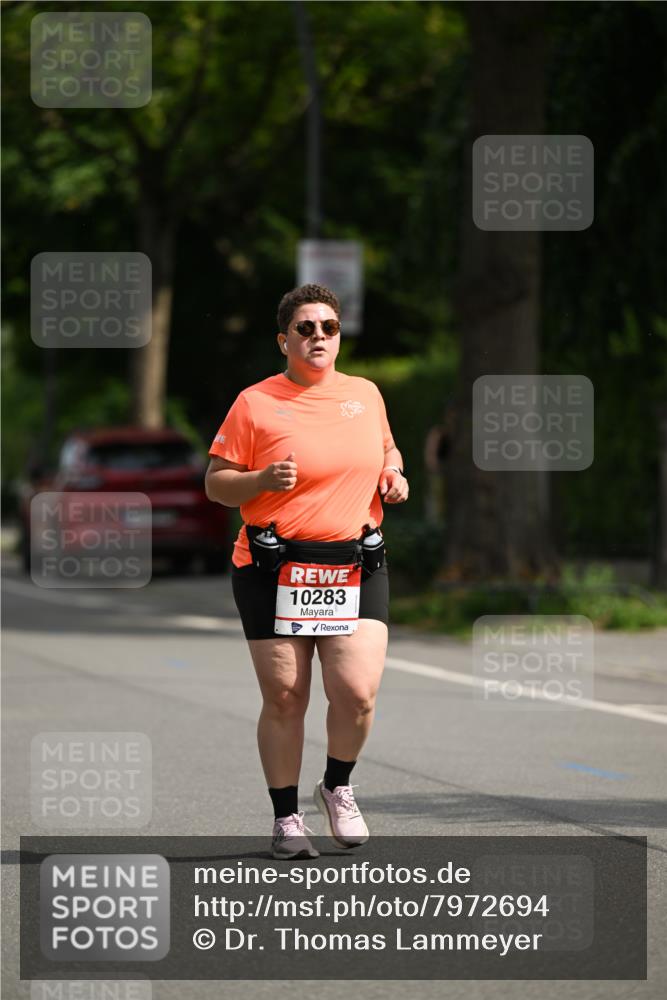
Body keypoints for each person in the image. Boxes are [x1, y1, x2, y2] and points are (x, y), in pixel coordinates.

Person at [205, 284, 408, 859]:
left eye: (329, 328)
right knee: (288, 695)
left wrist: (395, 476)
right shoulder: (255, 403)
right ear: (284, 340)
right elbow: (216, 484)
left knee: (357, 694)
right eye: (306, 328)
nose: (318, 337)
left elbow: (388, 451)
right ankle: (287, 818)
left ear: (339, 336)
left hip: (353, 563)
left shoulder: (365, 395)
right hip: (274, 565)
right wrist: (261, 481)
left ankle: (337, 786)